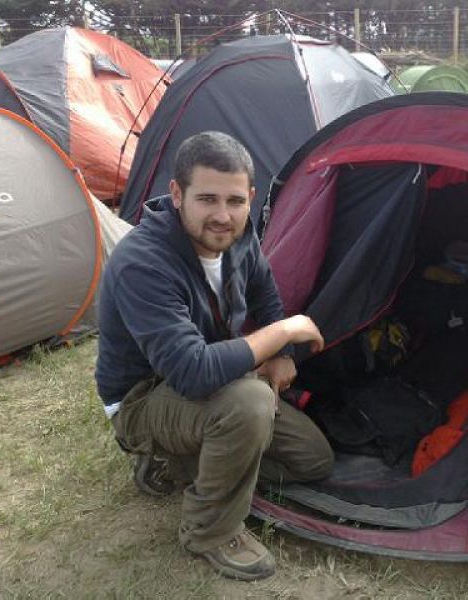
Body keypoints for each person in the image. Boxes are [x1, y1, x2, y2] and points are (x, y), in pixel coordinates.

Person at [95, 131, 334, 581]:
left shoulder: (239, 236)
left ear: (250, 198)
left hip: (205, 379)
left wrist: (280, 352)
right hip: (143, 396)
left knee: (313, 460)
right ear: (177, 194)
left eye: (235, 201)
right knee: (250, 403)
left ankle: (182, 464)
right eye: (207, 199)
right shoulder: (143, 263)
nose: (222, 216)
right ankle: (210, 530)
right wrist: (286, 331)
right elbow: (191, 373)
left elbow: (265, 293)